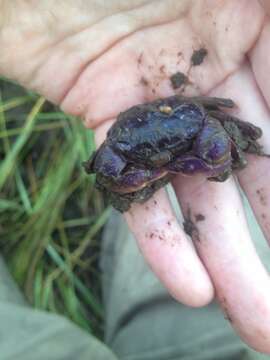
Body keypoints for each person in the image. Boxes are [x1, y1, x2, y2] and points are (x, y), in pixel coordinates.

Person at [1, 0, 270, 358]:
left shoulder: (200, 119)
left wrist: (224, 155)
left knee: (233, 141)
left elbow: (224, 122)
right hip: (141, 139)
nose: (165, 159)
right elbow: (103, 171)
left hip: (179, 128)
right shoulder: (118, 145)